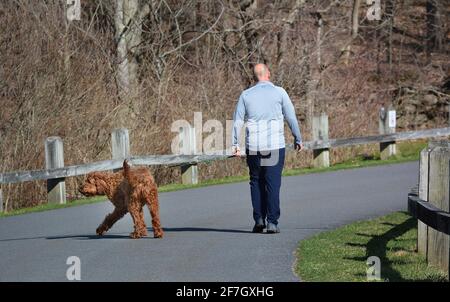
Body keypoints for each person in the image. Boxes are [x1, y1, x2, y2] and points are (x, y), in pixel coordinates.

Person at [232, 63, 303, 234]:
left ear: (254, 76)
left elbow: (238, 121)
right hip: (274, 146)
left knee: (256, 181)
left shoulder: (246, 95)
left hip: (254, 147)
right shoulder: (280, 92)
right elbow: (291, 117)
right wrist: (298, 137)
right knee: (272, 183)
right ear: (268, 74)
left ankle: (258, 219)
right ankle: (272, 222)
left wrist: (235, 144)